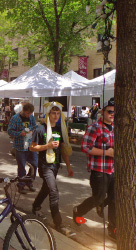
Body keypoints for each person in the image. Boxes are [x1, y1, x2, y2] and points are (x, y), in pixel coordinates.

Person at [73, 98, 116, 239]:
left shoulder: (116, 127)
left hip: (113, 170)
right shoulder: (94, 128)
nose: (112, 115)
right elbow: (85, 147)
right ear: (102, 112)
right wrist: (106, 152)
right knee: (98, 198)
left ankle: (113, 228)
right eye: (110, 112)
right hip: (99, 170)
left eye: (115, 113)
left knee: (115, 199)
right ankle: (78, 211)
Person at [30, 101, 74, 237]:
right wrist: (47, 146)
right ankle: (58, 223)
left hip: (55, 165)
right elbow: (32, 147)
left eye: (58, 113)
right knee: (54, 192)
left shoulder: (60, 129)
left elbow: (62, 149)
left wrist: (68, 166)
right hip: (44, 166)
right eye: (53, 113)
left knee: (47, 188)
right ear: (48, 114)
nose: (55, 116)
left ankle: (36, 206)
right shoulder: (40, 129)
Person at [7, 103, 38, 194]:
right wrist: (20, 133)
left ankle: (29, 181)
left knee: (35, 164)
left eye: (30, 113)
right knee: (21, 167)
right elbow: (9, 131)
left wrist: (32, 130)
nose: (28, 115)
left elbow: (35, 126)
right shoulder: (15, 118)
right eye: (27, 113)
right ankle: (21, 185)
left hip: (30, 145)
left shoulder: (31, 117)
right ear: (23, 111)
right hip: (20, 146)